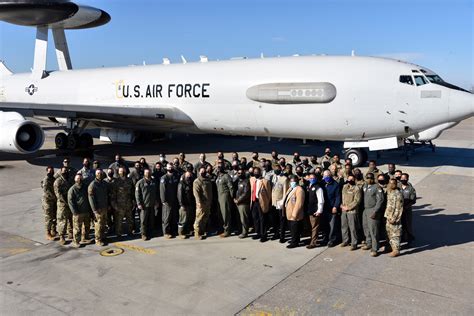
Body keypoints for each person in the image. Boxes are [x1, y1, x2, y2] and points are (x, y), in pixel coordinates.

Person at [361, 173, 385, 257]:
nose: (369, 179)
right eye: (367, 178)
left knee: (373, 230)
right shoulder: (365, 186)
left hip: (373, 210)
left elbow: (380, 200)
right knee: (366, 228)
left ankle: (375, 248)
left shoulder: (377, 187)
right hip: (365, 209)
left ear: (373, 178)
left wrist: (375, 211)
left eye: (370, 178)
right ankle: (369, 243)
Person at [67, 174, 92, 248]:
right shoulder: (72, 189)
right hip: (78, 213)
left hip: (86, 211)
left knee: (87, 226)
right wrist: (75, 212)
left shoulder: (85, 187)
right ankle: (76, 241)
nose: (79, 180)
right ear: (75, 180)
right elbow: (70, 202)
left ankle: (85, 237)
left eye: (80, 178)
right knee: (77, 228)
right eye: (78, 178)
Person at [135, 168, 159, 240]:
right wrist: (139, 203)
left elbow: (156, 192)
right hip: (144, 206)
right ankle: (143, 234)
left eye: (149, 172)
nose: (148, 174)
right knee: (143, 221)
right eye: (146, 172)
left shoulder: (153, 181)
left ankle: (150, 232)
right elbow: (137, 194)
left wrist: (156, 201)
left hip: (152, 205)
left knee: (151, 220)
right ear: (144, 173)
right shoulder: (140, 183)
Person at [250, 167, 272, 242]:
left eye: (257, 172)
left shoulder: (265, 181)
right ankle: (258, 232)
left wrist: (268, 203)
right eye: (254, 172)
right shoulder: (252, 179)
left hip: (262, 202)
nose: (256, 173)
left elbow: (269, 194)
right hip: (254, 201)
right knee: (255, 218)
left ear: (260, 173)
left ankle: (264, 235)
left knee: (263, 219)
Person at [283, 175, 305, 248]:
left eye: (294, 181)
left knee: (295, 229)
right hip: (289, 212)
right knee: (292, 229)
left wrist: (294, 214)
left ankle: (294, 242)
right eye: (291, 181)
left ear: (297, 181)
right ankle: (295, 240)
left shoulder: (299, 190)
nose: (292, 182)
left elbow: (299, 203)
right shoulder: (291, 189)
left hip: (295, 214)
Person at [88, 169, 109, 246]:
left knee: (103, 223)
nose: (99, 174)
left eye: (101, 173)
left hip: (104, 207)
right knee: (98, 225)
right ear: (95, 174)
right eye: (98, 173)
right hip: (98, 209)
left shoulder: (104, 183)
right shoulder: (92, 185)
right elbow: (91, 199)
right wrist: (94, 210)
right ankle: (98, 239)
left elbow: (107, 195)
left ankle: (102, 236)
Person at [340, 175, 362, 250]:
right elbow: (342, 197)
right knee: (344, 226)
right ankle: (345, 240)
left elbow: (357, 201)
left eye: (352, 179)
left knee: (353, 228)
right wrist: (342, 206)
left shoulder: (357, 188)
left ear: (354, 180)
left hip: (352, 211)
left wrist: (348, 207)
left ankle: (354, 243)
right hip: (344, 210)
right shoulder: (345, 187)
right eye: (349, 179)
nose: (350, 180)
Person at [54, 166, 73, 245]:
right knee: (62, 220)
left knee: (70, 219)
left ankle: (70, 232)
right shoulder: (58, 181)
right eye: (64, 171)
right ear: (61, 172)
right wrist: (66, 202)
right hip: (62, 204)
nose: (66, 172)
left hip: (70, 203)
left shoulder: (70, 180)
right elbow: (58, 194)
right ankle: (62, 236)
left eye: (67, 170)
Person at [384, 179, 404, 257]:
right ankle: (391, 246)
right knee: (389, 232)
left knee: (395, 234)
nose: (391, 185)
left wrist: (394, 218)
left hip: (394, 218)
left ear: (396, 184)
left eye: (393, 184)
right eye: (390, 183)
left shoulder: (398, 194)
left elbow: (399, 208)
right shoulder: (390, 192)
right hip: (388, 216)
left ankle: (396, 250)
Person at [322, 170, 341, 247]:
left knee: (332, 225)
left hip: (332, 208)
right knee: (325, 224)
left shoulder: (335, 185)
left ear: (331, 176)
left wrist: (335, 206)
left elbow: (338, 197)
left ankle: (332, 240)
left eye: (328, 176)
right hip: (324, 208)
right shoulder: (322, 183)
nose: (326, 177)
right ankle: (325, 238)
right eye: (325, 176)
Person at [271, 164, 289, 242]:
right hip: (273, 202)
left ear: (280, 169)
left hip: (280, 202)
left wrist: (283, 202)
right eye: (275, 169)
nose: (276, 170)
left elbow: (285, 192)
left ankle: (282, 236)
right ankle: (276, 234)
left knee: (281, 220)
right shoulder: (273, 177)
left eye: (278, 169)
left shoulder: (284, 179)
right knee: (274, 220)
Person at [160, 163, 179, 238]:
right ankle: (166, 232)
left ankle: (173, 231)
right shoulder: (164, 178)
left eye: (171, 167)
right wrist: (163, 200)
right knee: (166, 217)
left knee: (174, 216)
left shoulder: (175, 177)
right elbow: (162, 190)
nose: (170, 169)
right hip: (167, 201)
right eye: (169, 167)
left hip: (175, 200)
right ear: (166, 168)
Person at [193, 167, 213, 239]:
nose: (203, 172)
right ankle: (196, 233)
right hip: (201, 204)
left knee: (205, 218)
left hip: (208, 203)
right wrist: (199, 203)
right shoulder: (197, 181)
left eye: (204, 171)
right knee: (199, 218)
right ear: (199, 172)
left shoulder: (208, 180)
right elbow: (196, 193)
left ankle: (201, 231)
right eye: (201, 171)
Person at [216, 160, 235, 237]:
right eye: (218, 166)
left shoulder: (226, 176)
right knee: (220, 214)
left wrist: (231, 197)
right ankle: (222, 228)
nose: (218, 168)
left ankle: (227, 230)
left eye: (220, 167)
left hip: (225, 196)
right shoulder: (219, 176)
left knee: (225, 214)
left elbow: (231, 188)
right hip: (219, 196)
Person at [306, 173, 325, 249]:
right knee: (310, 227)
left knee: (314, 227)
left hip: (315, 211)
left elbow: (321, 200)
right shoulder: (309, 186)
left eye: (313, 178)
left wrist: (319, 210)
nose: (311, 179)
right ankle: (311, 239)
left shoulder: (318, 188)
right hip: (309, 210)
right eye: (310, 178)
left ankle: (313, 243)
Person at [115, 167, 135, 237]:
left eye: (123, 171)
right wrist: (115, 205)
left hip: (128, 203)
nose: (122, 172)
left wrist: (133, 201)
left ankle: (130, 232)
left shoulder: (129, 180)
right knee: (119, 221)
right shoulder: (116, 181)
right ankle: (119, 234)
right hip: (119, 204)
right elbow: (113, 194)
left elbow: (132, 191)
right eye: (120, 171)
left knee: (130, 219)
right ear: (118, 172)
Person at [177, 171, 196, 238]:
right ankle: (180, 233)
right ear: (184, 176)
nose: (189, 177)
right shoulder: (181, 184)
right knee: (182, 219)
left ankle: (187, 231)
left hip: (190, 204)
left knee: (189, 218)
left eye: (189, 176)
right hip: (184, 205)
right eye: (187, 176)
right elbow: (179, 195)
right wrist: (181, 204)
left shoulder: (191, 183)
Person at [399, 173, 417, 244]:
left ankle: (410, 241)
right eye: (402, 178)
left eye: (405, 178)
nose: (403, 180)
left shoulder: (411, 189)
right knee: (400, 225)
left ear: (407, 179)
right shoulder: (398, 187)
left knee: (407, 226)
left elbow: (413, 200)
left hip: (407, 210)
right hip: (399, 210)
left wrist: (406, 207)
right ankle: (402, 238)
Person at [234, 168, 251, 238]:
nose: (240, 174)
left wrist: (238, 200)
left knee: (244, 218)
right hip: (237, 202)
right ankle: (240, 230)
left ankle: (245, 232)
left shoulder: (246, 182)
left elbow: (246, 193)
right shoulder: (238, 181)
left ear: (244, 174)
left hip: (243, 203)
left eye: (241, 173)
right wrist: (234, 199)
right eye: (238, 173)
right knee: (239, 218)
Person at [41, 166, 57, 240]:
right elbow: (47, 191)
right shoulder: (46, 180)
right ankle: (48, 233)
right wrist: (54, 197)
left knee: (54, 216)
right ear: (47, 171)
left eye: (52, 171)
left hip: (53, 201)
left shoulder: (53, 179)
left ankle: (53, 230)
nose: (51, 172)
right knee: (48, 217)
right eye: (49, 171)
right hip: (47, 201)